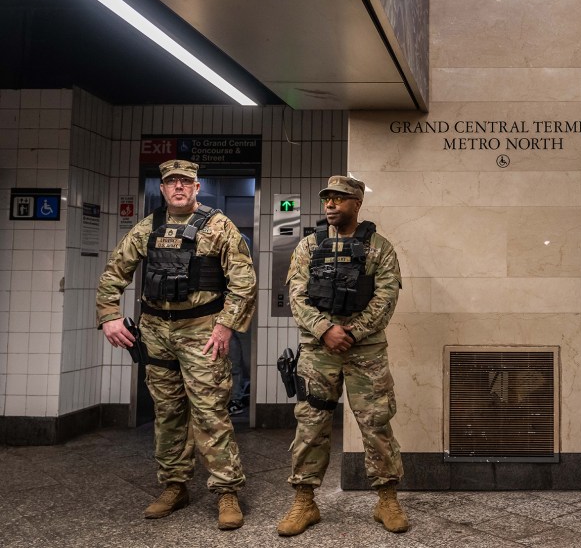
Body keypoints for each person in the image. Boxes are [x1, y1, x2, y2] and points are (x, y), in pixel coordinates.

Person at [96, 160, 257, 530]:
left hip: (203, 330)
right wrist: (108, 315)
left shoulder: (219, 226)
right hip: (155, 331)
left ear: (197, 187)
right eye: (172, 182)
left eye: (186, 182)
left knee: (209, 411)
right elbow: (115, 271)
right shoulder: (147, 228)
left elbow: (243, 282)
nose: (179, 187)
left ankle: (227, 491)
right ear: (163, 189)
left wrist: (225, 327)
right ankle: (174, 485)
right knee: (167, 412)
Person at [277, 175, 407, 537]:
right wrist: (325, 329)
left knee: (376, 422)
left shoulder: (379, 247)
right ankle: (305, 499)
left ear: (357, 204)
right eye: (327, 199)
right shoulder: (308, 246)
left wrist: (350, 332)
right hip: (319, 352)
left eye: (340, 198)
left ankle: (386, 498)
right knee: (311, 424)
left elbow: (385, 300)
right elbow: (297, 297)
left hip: (364, 350)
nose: (331, 204)